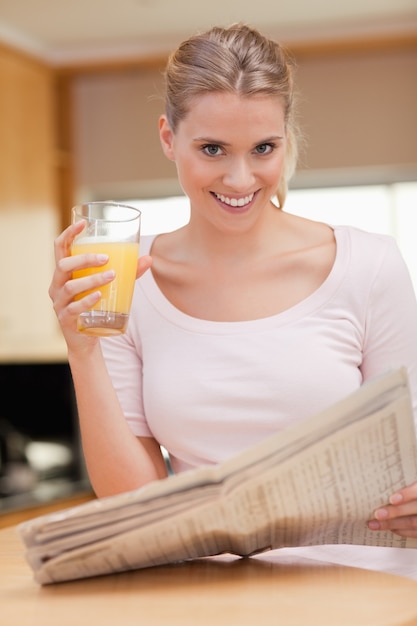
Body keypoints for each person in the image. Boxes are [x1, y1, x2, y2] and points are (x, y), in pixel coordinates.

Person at [49, 23, 417, 541]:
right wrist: (82, 352)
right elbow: (134, 503)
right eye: (213, 150)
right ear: (168, 139)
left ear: (285, 140)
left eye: (263, 148)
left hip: (356, 586)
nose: (241, 180)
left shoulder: (367, 265)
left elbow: (410, 453)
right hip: (203, 587)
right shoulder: (128, 277)